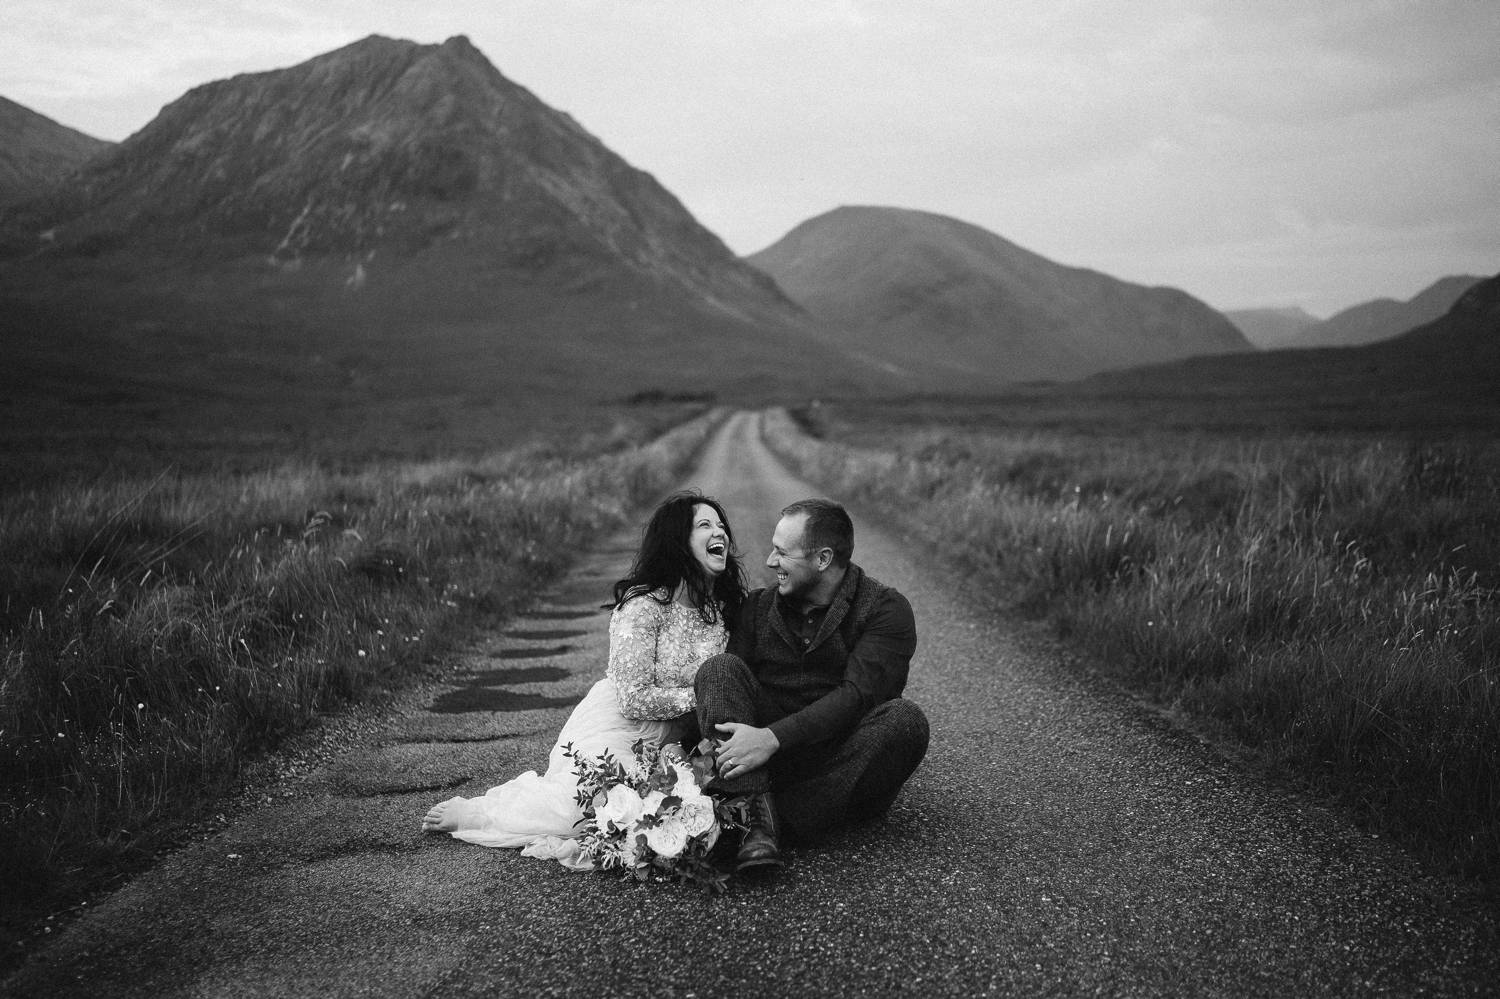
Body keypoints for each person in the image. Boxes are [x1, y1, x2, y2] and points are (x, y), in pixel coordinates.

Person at [421, 490, 747, 868]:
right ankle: (478, 813)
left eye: (721, 525)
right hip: (621, 727)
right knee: (577, 813)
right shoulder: (643, 606)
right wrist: (704, 697)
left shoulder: (721, 611)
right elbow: (633, 698)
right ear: (678, 541)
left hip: (679, 739)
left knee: (675, 816)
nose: (719, 531)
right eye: (705, 525)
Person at [696, 497, 929, 870]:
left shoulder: (885, 609)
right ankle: (754, 813)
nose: (771, 563)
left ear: (822, 559)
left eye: (781, 553)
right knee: (719, 670)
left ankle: (763, 823)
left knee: (905, 720)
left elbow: (858, 697)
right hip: (767, 765)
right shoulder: (757, 607)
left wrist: (771, 738)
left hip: (843, 762)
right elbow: (730, 697)